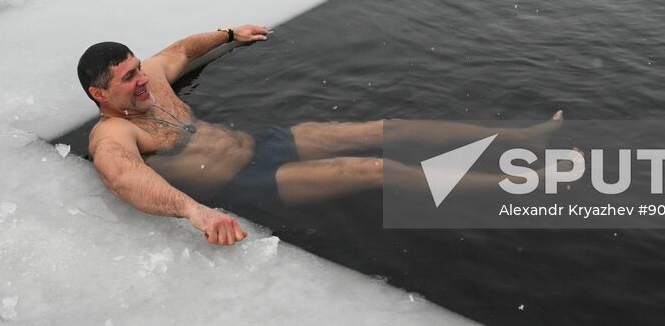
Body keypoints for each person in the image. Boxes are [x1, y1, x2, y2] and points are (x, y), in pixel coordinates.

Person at [77, 27, 564, 246]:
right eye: (127, 79)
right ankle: (513, 183)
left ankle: (521, 136)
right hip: (246, 183)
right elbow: (124, 179)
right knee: (374, 168)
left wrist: (228, 33)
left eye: (138, 68)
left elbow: (181, 49)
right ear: (100, 95)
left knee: (383, 130)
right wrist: (195, 210)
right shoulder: (113, 135)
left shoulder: (153, 82)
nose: (141, 80)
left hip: (258, 141)